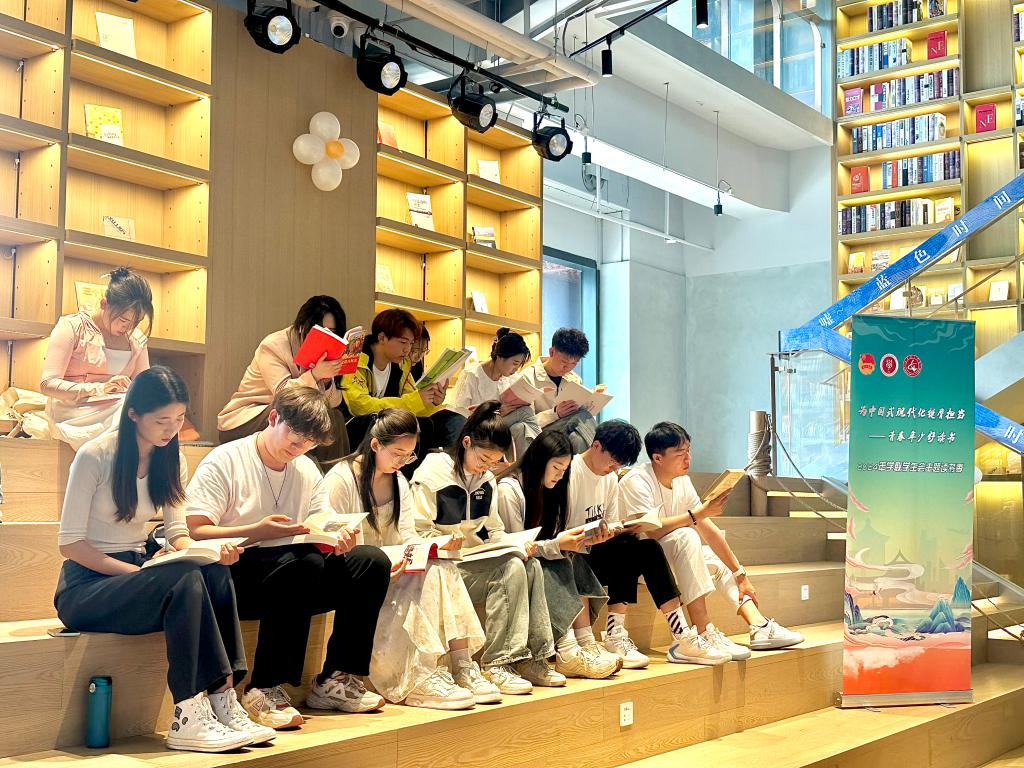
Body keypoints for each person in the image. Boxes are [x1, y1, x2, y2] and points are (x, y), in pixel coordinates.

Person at [53, 366, 275, 753]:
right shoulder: (94, 456)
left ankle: (223, 697)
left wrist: (204, 553)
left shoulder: (171, 459)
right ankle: (187, 713)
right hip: (86, 586)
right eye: (161, 420)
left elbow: (177, 532)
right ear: (133, 414)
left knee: (214, 572)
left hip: (138, 573)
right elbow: (70, 544)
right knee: (183, 580)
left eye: (179, 418)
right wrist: (140, 573)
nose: (171, 429)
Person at [184, 386, 391, 729]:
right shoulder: (227, 459)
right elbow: (195, 529)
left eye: (308, 445)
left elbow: (320, 522)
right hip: (236, 574)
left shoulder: (305, 469)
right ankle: (262, 687)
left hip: (296, 575)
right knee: (304, 563)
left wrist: (338, 537)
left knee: (371, 561)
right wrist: (257, 531)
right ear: (273, 418)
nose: (299, 450)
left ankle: (335, 679)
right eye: (295, 441)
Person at [323, 408, 495, 710]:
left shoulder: (398, 480)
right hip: (359, 575)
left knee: (441, 564)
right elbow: (334, 539)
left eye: (409, 456)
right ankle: (418, 675)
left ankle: (461, 664)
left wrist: (435, 545)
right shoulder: (342, 478)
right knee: (423, 573)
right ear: (375, 445)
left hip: (393, 565)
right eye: (398, 454)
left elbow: (407, 536)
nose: (402, 462)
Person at [410, 402, 560, 694]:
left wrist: (517, 545)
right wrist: (443, 542)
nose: (487, 466)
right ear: (466, 442)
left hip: (471, 560)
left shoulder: (487, 480)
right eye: (483, 458)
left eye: (494, 461)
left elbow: (495, 530)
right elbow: (415, 530)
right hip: (441, 567)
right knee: (510, 568)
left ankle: (534, 658)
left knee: (529, 564)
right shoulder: (433, 470)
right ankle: (498, 663)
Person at [619, 422, 804, 656]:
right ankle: (704, 630)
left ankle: (759, 625)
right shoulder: (636, 480)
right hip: (641, 567)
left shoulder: (682, 481)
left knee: (714, 557)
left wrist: (741, 574)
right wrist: (697, 514)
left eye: (689, 451)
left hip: (670, 558)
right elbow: (653, 531)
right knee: (686, 536)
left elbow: (709, 530)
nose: (688, 458)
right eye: (680, 453)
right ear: (657, 457)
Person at [569, 420, 731, 668]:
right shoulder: (571, 471)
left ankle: (679, 636)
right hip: (571, 552)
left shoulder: (610, 478)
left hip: (597, 549)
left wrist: (619, 528)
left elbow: (610, 522)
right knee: (621, 547)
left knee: (641, 545)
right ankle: (601, 637)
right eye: (612, 461)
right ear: (597, 446)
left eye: (618, 465)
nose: (613, 468)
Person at [496, 431, 619, 680]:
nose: (560, 475)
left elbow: (548, 538)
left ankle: (585, 641)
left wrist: (573, 541)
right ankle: (567, 649)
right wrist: (556, 545)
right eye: (556, 468)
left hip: (534, 555)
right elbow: (517, 547)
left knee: (571, 556)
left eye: (564, 470)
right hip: (511, 561)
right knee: (550, 562)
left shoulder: (552, 489)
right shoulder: (509, 489)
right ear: (540, 461)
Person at [218, 295, 350, 470]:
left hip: (288, 418)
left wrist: (325, 381)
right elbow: (284, 397)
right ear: (302, 327)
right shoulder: (273, 345)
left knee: (335, 418)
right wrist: (314, 375)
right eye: (321, 331)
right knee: (298, 413)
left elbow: (333, 403)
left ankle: (335, 479)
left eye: (332, 332)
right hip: (247, 419)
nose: (327, 337)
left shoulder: (325, 355)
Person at [40, 267, 153, 449]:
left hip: (118, 405)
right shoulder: (72, 327)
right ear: (104, 303)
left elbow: (144, 388)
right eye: (123, 320)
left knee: (148, 414)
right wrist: (99, 388)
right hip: (74, 409)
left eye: (135, 322)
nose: (128, 328)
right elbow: (47, 384)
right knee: (128, 415)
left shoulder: (136, 339)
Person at [342, 308, 462, 461]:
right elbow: (359, 405)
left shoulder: (402, 365)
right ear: (382, 337)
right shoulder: (356, 357)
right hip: (358, 428)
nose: (407, 349)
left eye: (411, 343)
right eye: (403, 342)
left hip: (389, 425)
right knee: (377, 422)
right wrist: (415, 400)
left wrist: (432, 401)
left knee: (438, 422)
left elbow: (412, 401)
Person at [452, 328, 539, 459]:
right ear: (499, 356)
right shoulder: (472, 375)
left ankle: (517, 469)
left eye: (519, 365)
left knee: (520, 428)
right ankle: (543, 453)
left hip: (500, 428)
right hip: (478, 428)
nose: (515, 369)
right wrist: (494, 412)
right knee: (526, 412)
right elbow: (459, 416)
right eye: (514, 363)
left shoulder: (512, 379)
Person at [516, 327, 597, 453]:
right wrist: (555, 413)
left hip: (566, 434)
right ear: (552, 352)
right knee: (583, 417)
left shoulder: (574, 379)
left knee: (577, 438)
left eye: (574, 363)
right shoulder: (528, 377)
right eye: (564, 361)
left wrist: (592, 402)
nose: (568, 368)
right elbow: (523, 425)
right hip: (540, 436)